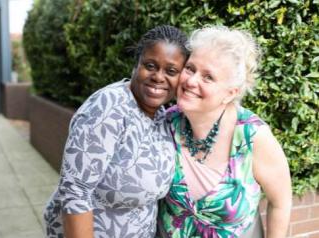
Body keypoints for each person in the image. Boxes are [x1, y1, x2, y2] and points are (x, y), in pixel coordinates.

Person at [43, 25, 189, 238]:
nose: (158, 77)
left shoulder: (161, 115)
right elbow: (76, 191)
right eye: (150, 65)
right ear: (136, 64)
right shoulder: (109, 106)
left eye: (171, 71)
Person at [157, 26, 292, 238]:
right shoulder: (167, 122)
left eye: (208, 77)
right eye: (190, 68)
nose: (191, 81)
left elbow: (281, 202)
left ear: (231, 93)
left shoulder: (253, 137)